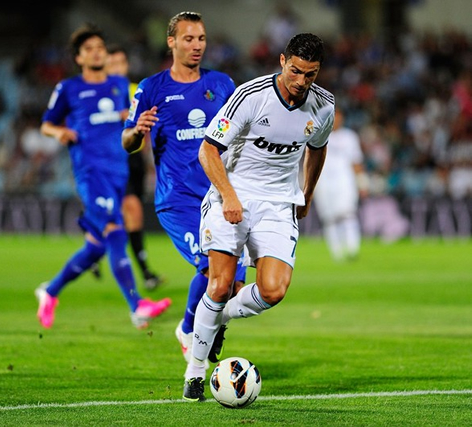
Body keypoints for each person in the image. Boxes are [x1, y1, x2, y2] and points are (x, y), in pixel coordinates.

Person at [182, 32, 335, 401]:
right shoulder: (251, 96)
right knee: (218, 285)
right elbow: (208, 151)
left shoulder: (324, 106)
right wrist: (230, 197)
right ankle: (195, 373)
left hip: (279, 203)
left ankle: (219, 319)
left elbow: (317, 149)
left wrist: (308, 194)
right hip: (231, 195)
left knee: (274, 290)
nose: (301, 82)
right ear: (283, 61)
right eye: (296, 71)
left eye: (310, 74)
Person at [122, 11, 247, 366]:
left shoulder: (223, 84)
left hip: (218, 195)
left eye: (202, 39)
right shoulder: (151, 88)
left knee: (233, 286)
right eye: (189, 39)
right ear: (171, 42)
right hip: (176, 199)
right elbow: (126, 141)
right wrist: (136, 132)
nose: (197, 46)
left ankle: (193, 328)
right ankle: (192, 334)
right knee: (210, 266)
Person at [35, 24, 171, 330]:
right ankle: (137, 305)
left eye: (100, 47)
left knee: (97, 245)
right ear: (79, 58)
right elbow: (46, 124)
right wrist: (60, 131)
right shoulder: (68, 88)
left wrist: (132, 121)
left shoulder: (119, 85)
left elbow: (129, 123)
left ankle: (50, 290)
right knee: (115, 231)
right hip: (90, 171)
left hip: (118, 170)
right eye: (90, 49)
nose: (97, 51)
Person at [101, 44, 162, 290]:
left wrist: (150, 160)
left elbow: (149, 128)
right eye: (112, 64)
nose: (117, 68)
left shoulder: (136, 90)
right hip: (112, 160)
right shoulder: (99, 95)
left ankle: (95, 248)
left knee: (125, 215)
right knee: (132, 209)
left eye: (121, 63)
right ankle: (146, 272)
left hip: (134, 160)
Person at [313, 107, 368, 261]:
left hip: (345, 181)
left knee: (347, 214)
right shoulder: (317, 135)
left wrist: (362, 183)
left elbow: (356, 162)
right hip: (323, 182)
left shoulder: (350, 137)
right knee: (329, 218)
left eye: (338, 117)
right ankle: (336, 253)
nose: (335, 120)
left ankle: (352, 249)